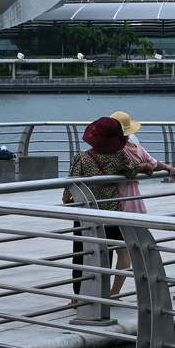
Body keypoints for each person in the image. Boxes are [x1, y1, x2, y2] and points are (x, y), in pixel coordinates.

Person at [64, 116, 140, 298]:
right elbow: (133, 171)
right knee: (107, 254)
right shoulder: (121, 156)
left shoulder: (81, 158)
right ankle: (103, 292)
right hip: (111, 214)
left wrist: (67, 198)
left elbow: (69, 189)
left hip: (85, 214)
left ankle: (79, 295)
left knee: (81, 254)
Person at [110, 110, 175, 215]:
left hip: (115, 200)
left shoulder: (112, 150)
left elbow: (122, 167)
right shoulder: (138, 148)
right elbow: (153, 163)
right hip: (134, 199)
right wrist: (166, 167)